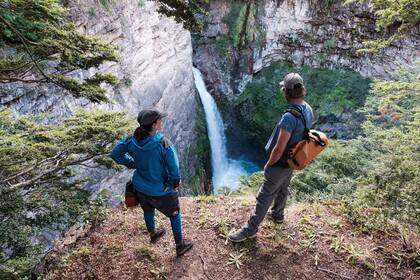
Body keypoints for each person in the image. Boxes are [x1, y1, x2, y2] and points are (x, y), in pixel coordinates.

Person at [228, 73, 314, 242]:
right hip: (294, 158)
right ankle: (278, 215)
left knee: (264, 196)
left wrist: (269, 164)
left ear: (286, 92)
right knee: (283, 187)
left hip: (281, 161)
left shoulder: (289, 117)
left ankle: (249, 230)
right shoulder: (307, 108)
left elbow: (279, 147)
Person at [111, 109, 193, 256]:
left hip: (140, 187)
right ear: (154, 125)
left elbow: (115, 154)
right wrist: (174, 185)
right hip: (160, 189)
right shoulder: (163, 144)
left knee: (148, 210)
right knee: (174, 213)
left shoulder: (131, 140)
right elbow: (174, 170)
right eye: (159, 120)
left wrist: (131, 163)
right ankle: (180, 245)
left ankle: (153, 233)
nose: (161, 121)